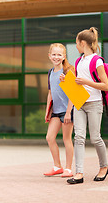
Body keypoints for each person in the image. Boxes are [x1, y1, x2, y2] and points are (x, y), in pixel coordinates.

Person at [62, 27, 108, 185]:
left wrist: (86, 82)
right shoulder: (79, 61)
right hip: (79, 103)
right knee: (79, 138)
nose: (75, 46)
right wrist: (66, 80)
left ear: (82, 43)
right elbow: (76, 82)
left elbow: (105, 85)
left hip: (94, 104)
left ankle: (104, 167)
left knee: (95, 138)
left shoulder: (97, 61)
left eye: (76, 43)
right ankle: (79, 173)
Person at [44, 43, 74, 178]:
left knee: (66, 139)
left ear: (64, 56)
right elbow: (50, 93)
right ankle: (57, 166)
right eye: (54, 54)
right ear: (49, 56)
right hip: (55, 112)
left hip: (67, 111)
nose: (56, 57)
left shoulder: (67, 71)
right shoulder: (50, 72)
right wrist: (47, 111)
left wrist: (68, 112)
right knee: (50, 138)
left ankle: (68, 168)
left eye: (59, 54)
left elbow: (73, 94)